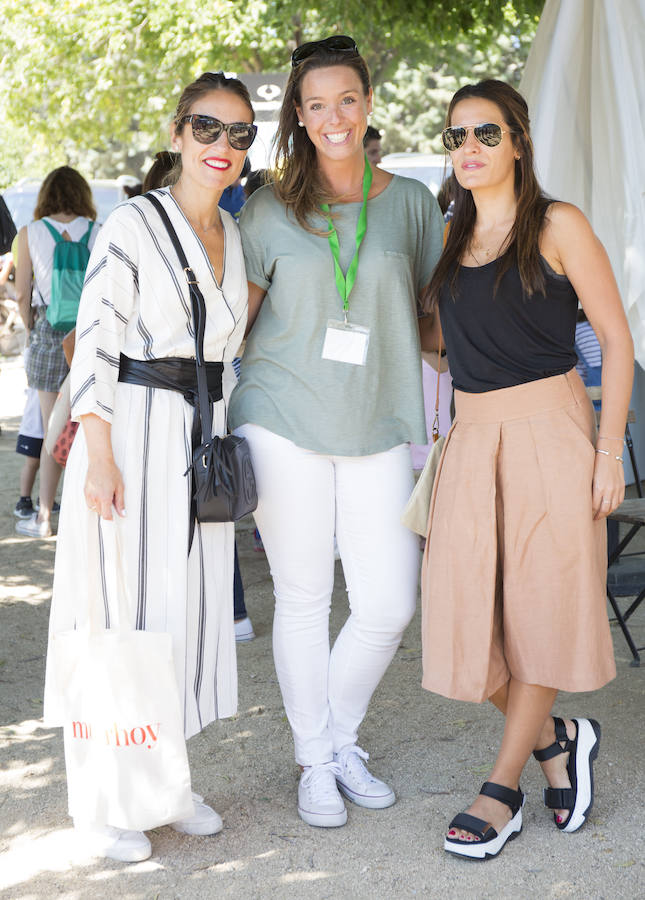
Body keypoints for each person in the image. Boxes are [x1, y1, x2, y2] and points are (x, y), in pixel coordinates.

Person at [229, 35, 444, 828]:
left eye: (346, 100)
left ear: (367, 103)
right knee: (304, 596)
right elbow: (235, 328)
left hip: (381, 419)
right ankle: (314, 759)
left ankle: (340, 738)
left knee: (388, 601)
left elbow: (430, 320)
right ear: (298, 113)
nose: (333, 117)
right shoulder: (268, 209)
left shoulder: (413, 205)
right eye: (315, 104)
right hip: (281, 415)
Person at [44, 71, 255, 862]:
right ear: (177, 134)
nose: (222, 147)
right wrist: (97, 456)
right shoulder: (132, 222)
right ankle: (105, 804)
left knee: (183, 611)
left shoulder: (232, 237)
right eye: (207, 128)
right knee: (119, 611)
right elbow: (94, 340)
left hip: (197, 439)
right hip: (130, 431)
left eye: (239, 134)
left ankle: (167, 784)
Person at [420, 79, 634, 860]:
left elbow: (614, 340)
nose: (468, 149)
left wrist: (607, 451)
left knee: (537, 613)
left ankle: (502, 786)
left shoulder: (556, 223)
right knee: (466, 615)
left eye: (484, 133)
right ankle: (559, 739)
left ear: (517, 141)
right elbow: (449, 345)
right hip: (473, 438)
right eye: (455, 137)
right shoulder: (451, 232)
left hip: (550, 428)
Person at [14, 167, 99, 537]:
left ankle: (45, 518)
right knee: (89, 424)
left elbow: (21, 294)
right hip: (90, 333)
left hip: (49, 333)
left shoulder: (29, 233)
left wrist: (33, 327)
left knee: (54, 430)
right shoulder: (97, 230)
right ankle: (85, 516)